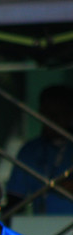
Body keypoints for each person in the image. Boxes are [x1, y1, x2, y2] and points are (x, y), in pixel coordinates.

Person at [6, 85, 73, 215]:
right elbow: (15, 199)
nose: (51, 121)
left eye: (58, 114)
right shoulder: (30, 151)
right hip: (42, 227)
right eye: (46, 114)